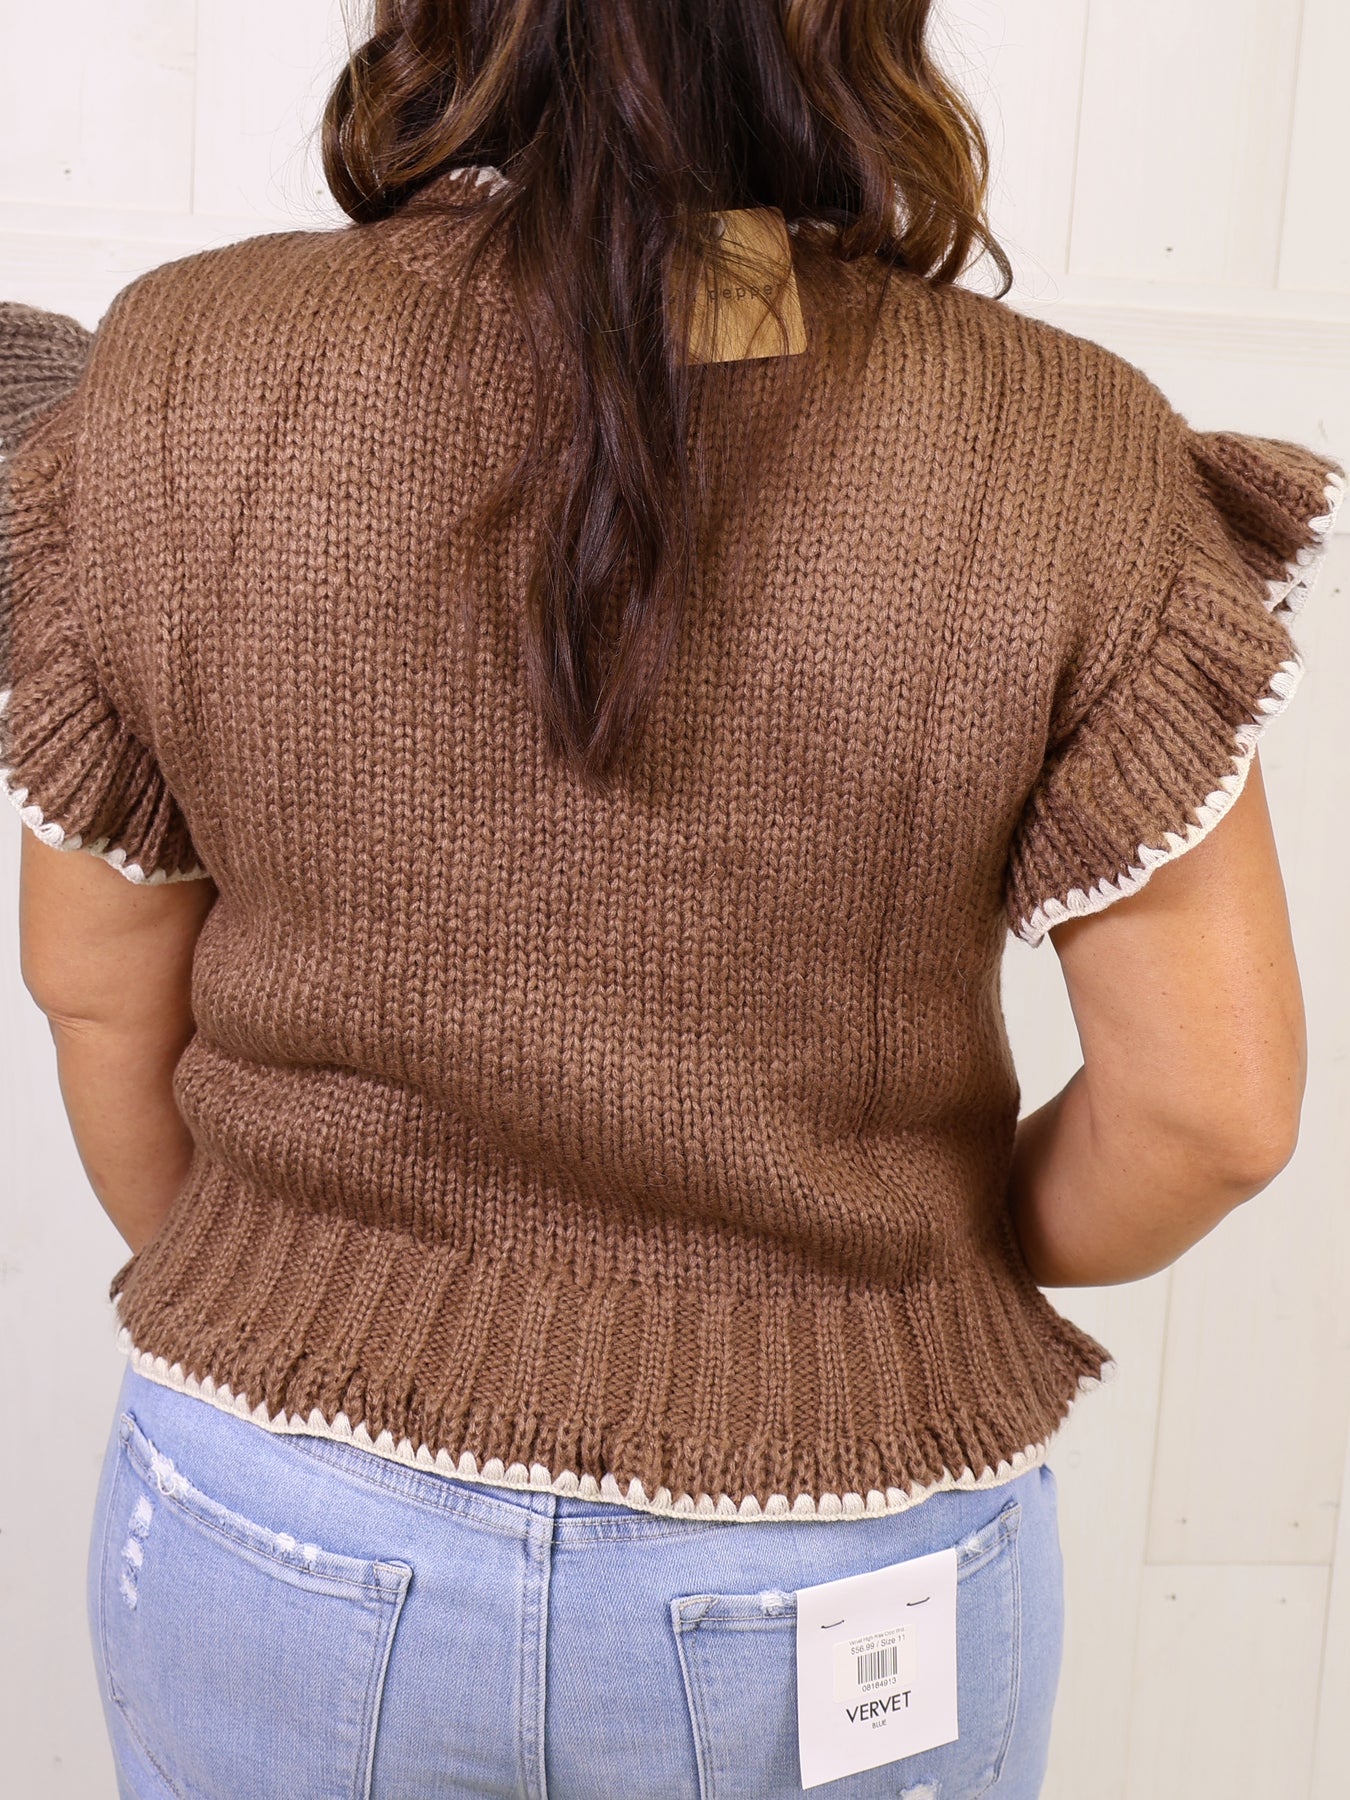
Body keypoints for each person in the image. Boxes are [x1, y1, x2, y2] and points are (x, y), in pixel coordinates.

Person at [2, 3, 1341, 1796]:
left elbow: (96, 986)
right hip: (838, 1549)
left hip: (276, 1517)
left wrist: (286, 1289)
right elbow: (1211, 1112)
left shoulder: (183, 369)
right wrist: (887, 1288)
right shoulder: (1069, 450)